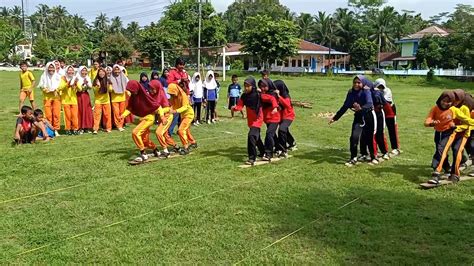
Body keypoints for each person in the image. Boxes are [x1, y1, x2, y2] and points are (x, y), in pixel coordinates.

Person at [329, 75, 377, 166]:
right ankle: (353, 157)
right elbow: (345, 106)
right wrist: (335, 118)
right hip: (358, 117)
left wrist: (361, 108)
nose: (356, 84)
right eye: (355, 82)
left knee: (369, 138)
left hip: (368, 116)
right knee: (354, 137)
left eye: (359, 82)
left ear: (363, 83)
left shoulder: (366, 91)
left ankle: (373, 157)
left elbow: (370, 104)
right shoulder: (351, 93)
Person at [430, 90, 474, 183]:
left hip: (462, 133)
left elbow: (467, 122)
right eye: (455, 99)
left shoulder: (464, 108)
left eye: (458, 100)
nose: (455, 102)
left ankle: (455, 174)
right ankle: (437, 171)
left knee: (457, 150)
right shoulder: (450, 107)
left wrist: (456, 127)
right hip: (451, 133)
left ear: (462, 100)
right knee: (442, 149)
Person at [122, 80, 161, 162]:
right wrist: (123, 115)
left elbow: (157, 106)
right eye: (131, 91)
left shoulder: (145, 96)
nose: (133, 93)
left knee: (135, 133)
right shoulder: (133, 97)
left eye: (134, 91)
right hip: (143, 119)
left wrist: (162, 117)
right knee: (144, 139)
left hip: (149, 118)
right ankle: (155, 150)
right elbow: (130, 108)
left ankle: (143, 153)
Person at [232, 77, 265, 165]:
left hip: (258, 118)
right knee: (256, 137)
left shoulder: (258, 94)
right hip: (250, 120)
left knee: (251, 136)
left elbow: (269, 97)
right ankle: (263, 151)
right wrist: (234, 108)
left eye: (248, 86)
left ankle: (252, 158)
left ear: (253, 86)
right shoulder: (244, 96)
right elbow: (240, 106)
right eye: (245, 86)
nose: (246, 88)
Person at [149, 80, 177, 157]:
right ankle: (176, 146)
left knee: (158, 132)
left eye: (152, 88)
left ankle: (165, 150)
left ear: (157, 88)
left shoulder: (162, 96)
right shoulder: (152, 95)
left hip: (167, 117)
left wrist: (157, 111)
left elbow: (167, 109)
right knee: (165, 135)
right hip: (161, 117)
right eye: (150, 88)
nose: (150, 90)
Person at [168, 83, 197, 155]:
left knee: (181, 130)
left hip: (189, 114)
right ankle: (193, 142)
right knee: (186, 130)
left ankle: (186, 147)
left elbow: (185, 107)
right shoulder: (173, 96)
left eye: (172, 93)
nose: (172, 95)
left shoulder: (183, 95)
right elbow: (172, 105)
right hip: (183, 115)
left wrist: (175, 111)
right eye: (170, 94)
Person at [374, 78, 400, 156]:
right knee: (380, 130)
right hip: (380, 111)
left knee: (392, 129)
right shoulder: (374, 90)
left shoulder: (387, 91)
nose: (380, 88)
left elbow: (382, 101)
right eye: (379, 87)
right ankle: (382, 148)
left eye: (382, 87)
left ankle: (395, 148)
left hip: (390, 111)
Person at [258, 79, 280, 161]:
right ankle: (279, 148)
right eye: (261, 86)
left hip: (274, 118)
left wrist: (275, 107)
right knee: (273, 135)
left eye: (264, 86)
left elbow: (272, 100)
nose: (262, 88)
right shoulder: (263, 94)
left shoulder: (272, 94)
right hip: (267, 118)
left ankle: (268, 154)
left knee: (269, 134)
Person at [38, 62, 62, 136]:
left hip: (56, 97)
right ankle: (49, 129)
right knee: (48, 114)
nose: (51, 69)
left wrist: (56, 90)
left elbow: (61, 86)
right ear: (47, 68)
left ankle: (56, 129)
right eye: (50, 67)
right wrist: (45, 89)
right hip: (47, 97)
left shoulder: (58, 76)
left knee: (56, 114)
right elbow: (41, 85)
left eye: (52, 68)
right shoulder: (44, 76)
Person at [273, 80, 295, 158]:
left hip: (288, 116)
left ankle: (283, 150)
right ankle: (292, 143)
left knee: (282, 129)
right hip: (281, 116)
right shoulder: (275, 95)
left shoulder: (286, 95)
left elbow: (287, 105)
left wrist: (279, 96)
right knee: (284, 130)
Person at [371, 83, 390, 160]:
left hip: (379, 115)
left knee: (379, 134)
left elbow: (385, 104)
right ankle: (372, 153)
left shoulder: (377, 93)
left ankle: (384, 152)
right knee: (369, 134)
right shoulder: (365, 92)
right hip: (370, 114)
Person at [58, 65, 79, 135]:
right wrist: (67, 84)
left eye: (72, 70)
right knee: (67, 116)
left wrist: (76, 83)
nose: (70, 71)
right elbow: (60, 88)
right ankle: (68, 129)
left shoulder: (75, 78)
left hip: (74, 100)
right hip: (65, 100)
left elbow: (80, 89)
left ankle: (75, 128)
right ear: (66, 71)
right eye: (69, 70)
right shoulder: (63, 78)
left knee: (74, 116)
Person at [73, 66, 94, 134]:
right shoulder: (77, 77)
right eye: (83, 70)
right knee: (80, 111)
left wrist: (86, 83)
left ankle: (87, 127)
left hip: (85, 95)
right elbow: (76, 87)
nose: (84, 72)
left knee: (87, 111)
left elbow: (90, 87)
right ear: (80, 71)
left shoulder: (87, 77)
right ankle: (80, 127)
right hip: (79, 95)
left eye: (85, 71)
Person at [92, 68, 112, 134]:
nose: (101, 73)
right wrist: (98, 86)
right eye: (100, 72)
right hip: (98, 101)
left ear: (105, 73)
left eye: (103, 72)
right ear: (98, 73)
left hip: (106, 101)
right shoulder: (95, 81)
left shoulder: (108, 80)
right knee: (97, 115)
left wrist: (108, 86)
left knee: (107, 115)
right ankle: (95, 129)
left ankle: (108, 128)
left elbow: (110, 90)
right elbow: (95, 92)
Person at [110, 64, 129, 132]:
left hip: (122, 98)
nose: (117, 71)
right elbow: (109, 88)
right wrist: (111, 88)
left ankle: (121, 124)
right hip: (114, 98)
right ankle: (118, 125)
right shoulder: (110, 77)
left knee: (122, 113)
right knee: (116, 113)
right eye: (115, 69)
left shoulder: (123, 76)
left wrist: (127, 91)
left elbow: (127, 86)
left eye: (118, 69)